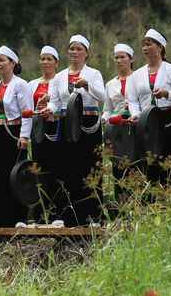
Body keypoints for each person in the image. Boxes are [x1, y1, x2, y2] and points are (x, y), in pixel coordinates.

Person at [42, 35, 106, 227]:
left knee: (90, 166)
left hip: (88, 122)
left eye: (79, 49)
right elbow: (55, 101)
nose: (75, 52)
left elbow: (102, 96)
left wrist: (86, 85)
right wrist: (49, 110)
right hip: (67, 121)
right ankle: (70, 216)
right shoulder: (60, 76)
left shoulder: (94, 73)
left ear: (86, 53)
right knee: (68, 168)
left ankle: (93, 216)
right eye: (72, 49)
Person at [0, 46, 33, 227]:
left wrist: (24, 136)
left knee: (14, 175)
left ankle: (17, 218)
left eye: (2, 60)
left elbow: (27, 113)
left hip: (13, 135)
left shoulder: (20, 84)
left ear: (13, 63)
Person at [128, 30, 171, 188]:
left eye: (149, 44)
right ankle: (151, 202)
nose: (145, 48)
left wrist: (167, 94)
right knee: (149, 160)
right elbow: (133, 100)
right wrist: (135, 115)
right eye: (143, 45)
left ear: (160, 47)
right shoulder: (136, 75)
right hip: (147, 121)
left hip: (170, 119)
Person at [27, 46, 64, 224]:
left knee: (57, 168)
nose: (45, 62)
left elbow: (68, 101)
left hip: (56, 128)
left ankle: (58, 214)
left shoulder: (61, 81)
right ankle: (40, 215)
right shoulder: (32, 84)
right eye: (42, 59)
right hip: (38, 130)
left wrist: (50, 99)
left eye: (49, 59)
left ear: (57, 63)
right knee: (39, 170)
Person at [101, 44, 135, 201]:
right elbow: (108, 110)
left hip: (135, 127)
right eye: (116, 57)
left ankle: (138, 208)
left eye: (123, 57)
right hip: (115, 130)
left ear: (131, 59)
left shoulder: (138, 78)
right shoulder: (110, 84)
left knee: (135, 165)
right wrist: (103, 119)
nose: (119, 60)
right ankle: (122, 207)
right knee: (118, 165)